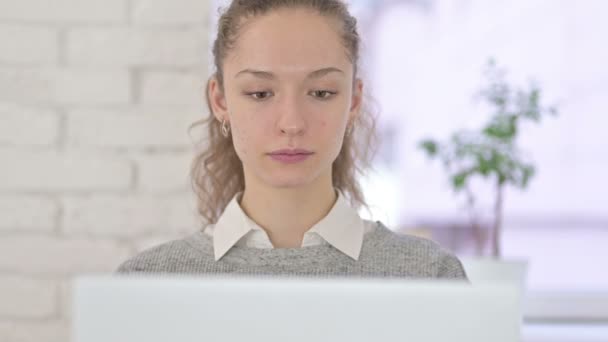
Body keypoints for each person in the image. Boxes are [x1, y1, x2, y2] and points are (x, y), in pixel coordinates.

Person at [117, 0, 467, 279]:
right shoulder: (147, 283)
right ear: (220, 101)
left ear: (354, 101)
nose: (292, 123)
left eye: (321, 92)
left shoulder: (430, 277)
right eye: (259, 93)